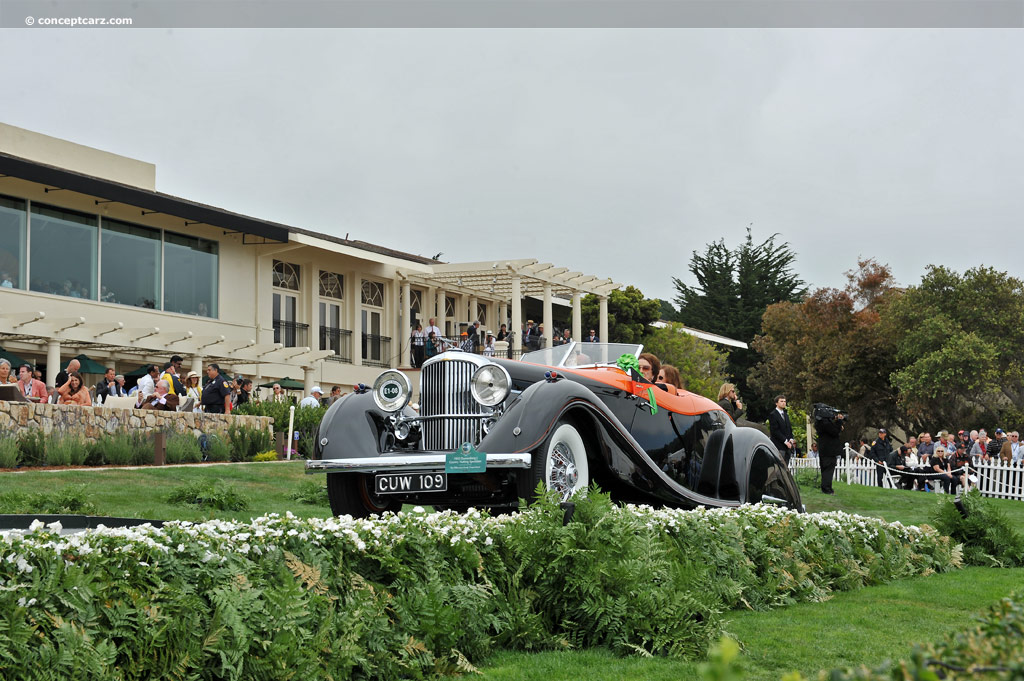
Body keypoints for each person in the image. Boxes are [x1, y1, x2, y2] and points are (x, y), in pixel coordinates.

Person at [816, 409, 845, 495]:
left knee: (825, 469)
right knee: (828, 470)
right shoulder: (826, 423)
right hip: (829, 450)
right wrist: (839, 422)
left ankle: (825, 487)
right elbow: (834, 432)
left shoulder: (819, 422)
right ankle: (827, 489)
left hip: (824, 450)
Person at [768, 395, 796, 463]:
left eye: (785, 401)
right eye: (781, 401)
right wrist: (785, 441)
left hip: (787, 447)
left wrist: (791, 439)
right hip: (779, 446)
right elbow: (775, 431)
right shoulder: (773, 415)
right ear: (776, 403)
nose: (784, 403)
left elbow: (789, 428)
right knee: (780, 467)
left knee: (786, 467)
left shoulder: (786, 414)